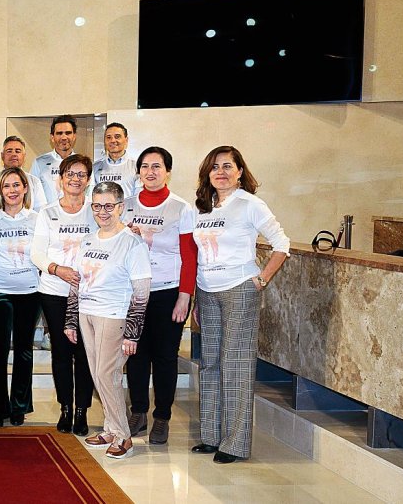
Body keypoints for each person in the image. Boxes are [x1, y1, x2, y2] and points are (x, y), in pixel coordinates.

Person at [190, 146, 289, 464]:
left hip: (239, 291)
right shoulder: (202, 207)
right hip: (207, 291)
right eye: (215, 166)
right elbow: (200, 255)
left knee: (235, 365)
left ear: (240, 172)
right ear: (207, 172)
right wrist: (195, 296)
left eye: (227, 166)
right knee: (209, 364)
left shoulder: (250, 204)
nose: (221, 171)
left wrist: (262, 279)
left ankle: (233, 443)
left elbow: (281, 244)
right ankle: (210, 436)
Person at [63, 181, 152, 459]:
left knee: (106, 374)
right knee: (98, 374)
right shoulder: (88, 239)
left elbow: (141, 292)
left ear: (120, 207)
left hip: (113, 316)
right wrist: (70, 319)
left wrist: (133, 333)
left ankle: (124, 436)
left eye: (109, 206)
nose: (103, 211)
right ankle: (111, 428)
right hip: (87, 314)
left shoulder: (131, 242)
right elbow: (76, 282)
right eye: (98, 205)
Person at [122, 146, 197, 445]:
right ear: (138, 171)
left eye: (157, 166)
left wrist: (185, 296)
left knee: (165, 357)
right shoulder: (125, 205)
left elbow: (190, 257)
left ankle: (162, 416)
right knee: (136, 355)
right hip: (134, 293)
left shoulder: (181, 208)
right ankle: (138, 412)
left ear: (167, 171)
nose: (150, 172)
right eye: (144, 166)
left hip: (168, 292)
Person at [30, 153, 96, 435]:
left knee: (84, 353)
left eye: (81, 175)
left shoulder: (96, 211)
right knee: (61, 351)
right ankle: (65, 408)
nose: (75, 179)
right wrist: (57, 269)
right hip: (54, 290)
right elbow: (37, 254)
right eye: (70, 174)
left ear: (89, 180)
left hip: (88, 293)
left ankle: (82, 410)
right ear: (60, 179)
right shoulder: (47, 212)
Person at [0, 167, 42, 427]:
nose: (12, 190)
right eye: (7, 186)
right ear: (0, 190)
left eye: (16, 185)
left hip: (29, 292)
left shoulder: (37, 219)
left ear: (25, 188)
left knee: (23, 352)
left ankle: (19, 406)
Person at [0, 136, 46, 213]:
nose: (13, 154)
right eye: (9, 151)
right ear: (2, 156)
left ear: (24, 156)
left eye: (18, 151)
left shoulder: (34, 182)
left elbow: (41, 212)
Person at [30, 115, 78, 206]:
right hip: (48, 217)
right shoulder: (39, 163)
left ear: (74, 136)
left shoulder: (83, 164)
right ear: (52, 137)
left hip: (76, 217)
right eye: (59, 133)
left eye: (68, 133)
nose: (64, 137)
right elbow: (32, 194)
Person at [91, 123, 138, 199]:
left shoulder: (136, 166)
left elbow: (138, 195)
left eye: (117, 137)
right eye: (108, 137)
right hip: (103, 210)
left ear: (126, 140)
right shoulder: (95, 167)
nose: (113, 140)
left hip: (128, 210)